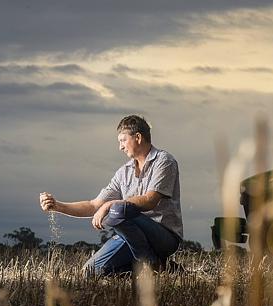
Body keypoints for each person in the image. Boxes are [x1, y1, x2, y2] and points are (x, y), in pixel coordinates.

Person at [39, 115, 183, 275]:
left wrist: (110, 205)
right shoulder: (123, 172)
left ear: (138, 137)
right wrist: (58, 206)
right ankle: (166, 268)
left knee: (117, 210)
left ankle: (150, 263)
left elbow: (150, 200)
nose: (120, 147)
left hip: (163, 236)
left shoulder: (164, 161)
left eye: (123, 140)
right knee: (91, 272)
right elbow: (94, 205)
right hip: (131, 236)